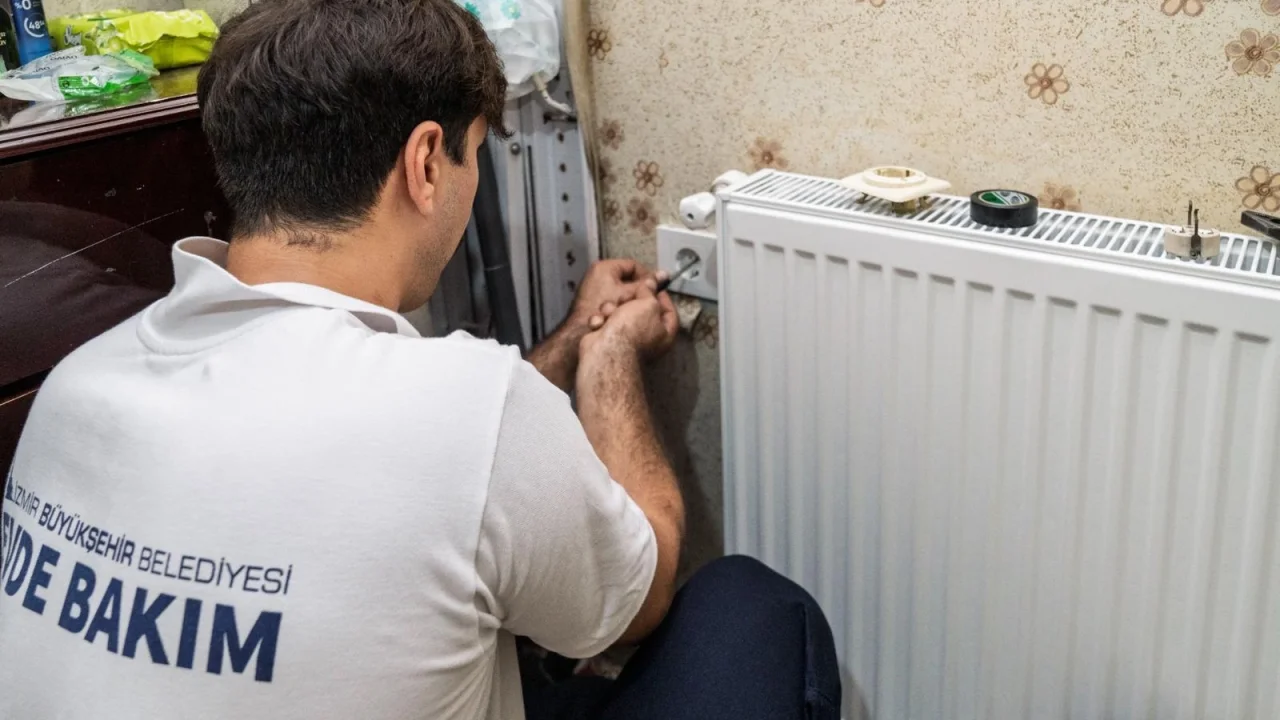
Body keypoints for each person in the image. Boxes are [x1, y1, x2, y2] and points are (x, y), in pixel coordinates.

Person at [0, 1, 841, 718]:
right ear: (427, 162)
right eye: (476, 153)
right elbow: (640, 601)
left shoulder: (79, 383)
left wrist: (567, 339)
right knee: (752, 608)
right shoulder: (468, 409)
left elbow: (445, 467)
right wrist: (609, 358)